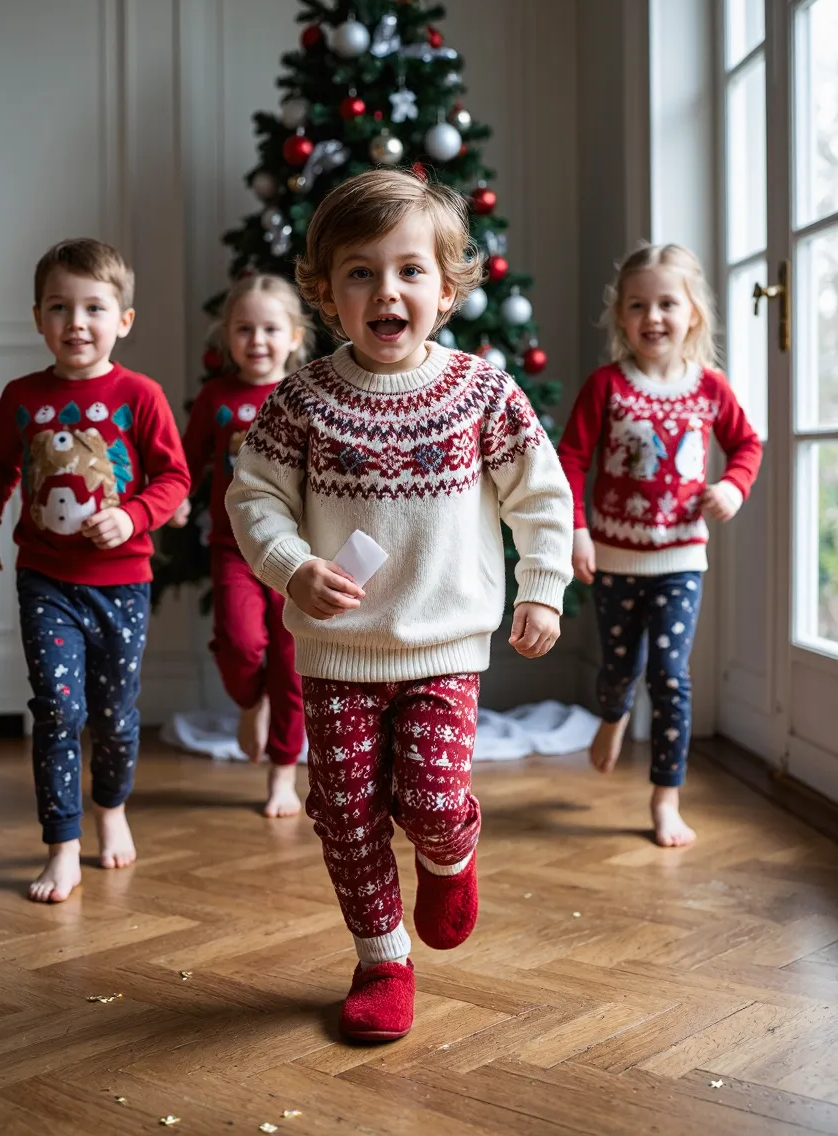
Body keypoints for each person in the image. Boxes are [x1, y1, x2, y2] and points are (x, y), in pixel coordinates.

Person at [226, 169, 573, 1042]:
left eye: (410, 271)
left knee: (431, 798)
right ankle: (382, 959)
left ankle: (451, 854)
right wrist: (291, 565)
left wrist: (542, 588)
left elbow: (541, 497)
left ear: (447, 290)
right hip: (336, 650)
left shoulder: (483, 394)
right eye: (361, 273)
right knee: (344, 811)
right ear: (326, 294)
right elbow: (252, 497)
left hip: (442, 645)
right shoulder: (302, 401)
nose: (387, 291)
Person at [0, 239, 190, 902]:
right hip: (45, 579)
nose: (77, 322)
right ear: (39, 318)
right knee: (58, 709)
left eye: (94, 307)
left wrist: (135, 516)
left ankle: (111, 808)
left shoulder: (139, 395)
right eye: (60, 307)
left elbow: (174, 477)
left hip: (122, 584)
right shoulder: (23, 396)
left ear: (124, 319)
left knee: (114, 716)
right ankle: (61, 844)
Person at [557, 242, 762, 847]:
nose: (653, 317)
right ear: (619, 315)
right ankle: (613, 715)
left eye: (667, 304)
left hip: (680, 560)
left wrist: (733, 486)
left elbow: (746, 444)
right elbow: (571, 459)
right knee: (619, 669)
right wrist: (578, 530)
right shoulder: (606, 386)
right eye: (637, 305)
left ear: (692, 312)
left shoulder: (710, 389)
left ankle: (665, 796)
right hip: (616, 558)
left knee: (670, 677)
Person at [171, 275, 312, 817]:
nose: (257, 340)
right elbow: (187, 459)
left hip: (296, 552)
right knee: (240, 643)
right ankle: (252, 702)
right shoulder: (217, 398)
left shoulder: (304, 394)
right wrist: (177, 497)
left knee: (290, 661)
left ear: (294, 336)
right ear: (226, 336)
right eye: (244, 329)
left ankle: (282, 774)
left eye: (270, 329)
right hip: (233, 547)